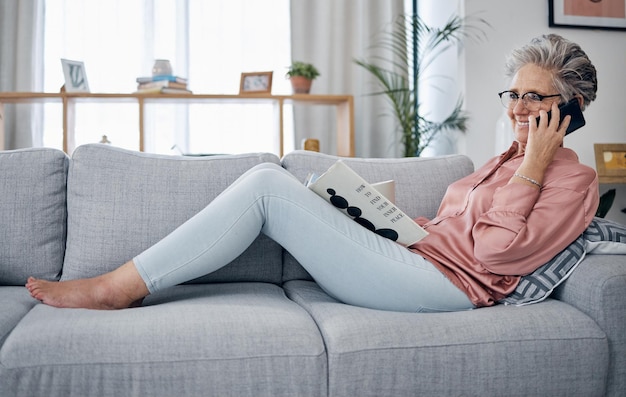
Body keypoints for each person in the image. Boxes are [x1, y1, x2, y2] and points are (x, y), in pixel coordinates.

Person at [26, 34, 599, 313]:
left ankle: (113, 289)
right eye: (513, 93)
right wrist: (392, 220)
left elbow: (495, 256)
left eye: (535, 97)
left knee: (266, 185)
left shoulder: (572, 182)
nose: (518, 107)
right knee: (282, 188)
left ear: (568, 107)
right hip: (415, 261)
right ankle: (117, 286)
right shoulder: (501, 162)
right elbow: (455, 231)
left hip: (446, 290)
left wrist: (534, 166)